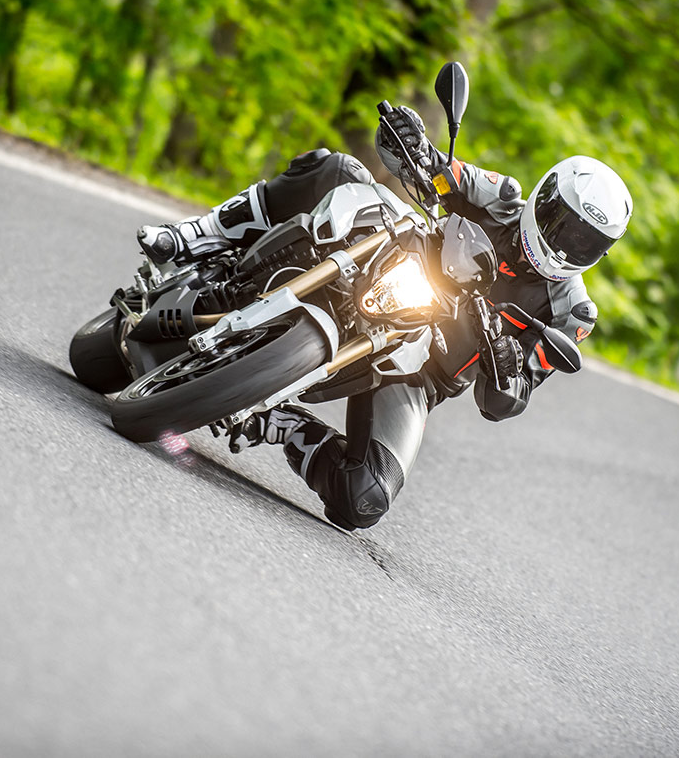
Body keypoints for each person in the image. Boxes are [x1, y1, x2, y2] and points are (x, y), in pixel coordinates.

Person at [135, 107, 633, 530]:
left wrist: (506, 365)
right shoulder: (501, 197)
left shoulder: (572, 313)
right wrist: (411, 142)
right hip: (391, 263)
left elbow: (502, 403)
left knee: (365, 497)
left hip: (419, 369)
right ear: (544, 198)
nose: (567, 244)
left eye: (585, 242)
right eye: (563, 225)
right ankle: (195, 236)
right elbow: (437, 170)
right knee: (335, 170)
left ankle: (277, 422)